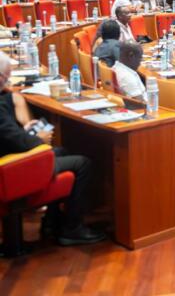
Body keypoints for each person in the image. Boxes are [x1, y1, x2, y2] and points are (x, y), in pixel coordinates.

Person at [0, 52, 105, 246]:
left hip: (9, 155)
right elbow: (14, 138)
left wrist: (26, 130)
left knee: (62, 152)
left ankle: (51, 222)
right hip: (10, 167)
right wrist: (38, 139)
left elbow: (8, 134)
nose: (9, 81)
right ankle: (72, 229)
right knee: (83, 164)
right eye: (7, 77)